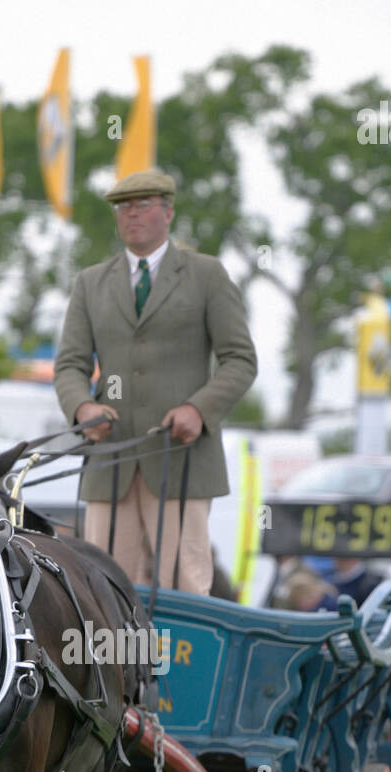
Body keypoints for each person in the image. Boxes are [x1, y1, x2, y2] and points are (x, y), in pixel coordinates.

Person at [54, 169, 258, 596]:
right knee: (102, 590)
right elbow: (70, 365)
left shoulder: (207, 275)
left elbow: (240, 360)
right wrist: (83, 409)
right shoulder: (90, 283)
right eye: (123, 207)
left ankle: (184, 667)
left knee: (185, 587)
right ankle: (111, 666)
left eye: (142, 205)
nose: (131, 215)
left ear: (168, 212)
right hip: (110, 463)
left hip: (181, 460)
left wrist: (198, 410)